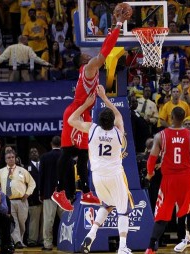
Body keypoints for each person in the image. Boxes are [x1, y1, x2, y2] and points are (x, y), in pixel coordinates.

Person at [51, 7, 132, 211]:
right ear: (84, 62)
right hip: (76, 112)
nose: (92, 57)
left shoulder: (91, 71)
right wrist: (120, 25)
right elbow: (105, 52)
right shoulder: (89, 69)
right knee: (68, 152)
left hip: (84, 111)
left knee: (85, 152)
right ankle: (59, 191)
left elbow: (104, 47)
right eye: (88, 56)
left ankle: (86, 191)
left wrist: (113, 26)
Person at [68, 85, 134, 254]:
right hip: (115, 175)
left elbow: (71, 120)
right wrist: (104, 98)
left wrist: (86, 104)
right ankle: (122, 247)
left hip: (97, 177)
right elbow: (119, 115)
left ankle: (92, 233)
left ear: (99, 120)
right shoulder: (118, 132)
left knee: (107, 205)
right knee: (123, 209)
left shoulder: (92, 128)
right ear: (112, 122)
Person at [144, 107, 190, 254]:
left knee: (163, 214)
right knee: (189, 212)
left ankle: (151, 247)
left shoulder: (160, 136)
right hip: (186, 178)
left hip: (169, 179)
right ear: (184, 118)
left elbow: (151, 160)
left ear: (171, 116)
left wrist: (150, 174)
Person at [39, 136, 64, 251]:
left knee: (48, 220)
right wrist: (72, 193)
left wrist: (41, 192)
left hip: (49, 193)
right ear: (61, 144)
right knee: (66, 220)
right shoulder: (66, 156)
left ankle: (48, 244)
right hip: (64, 194)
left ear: (51, 144)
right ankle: (67, 242)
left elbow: (41, 176)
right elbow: (70, 176)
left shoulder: (44, 157)